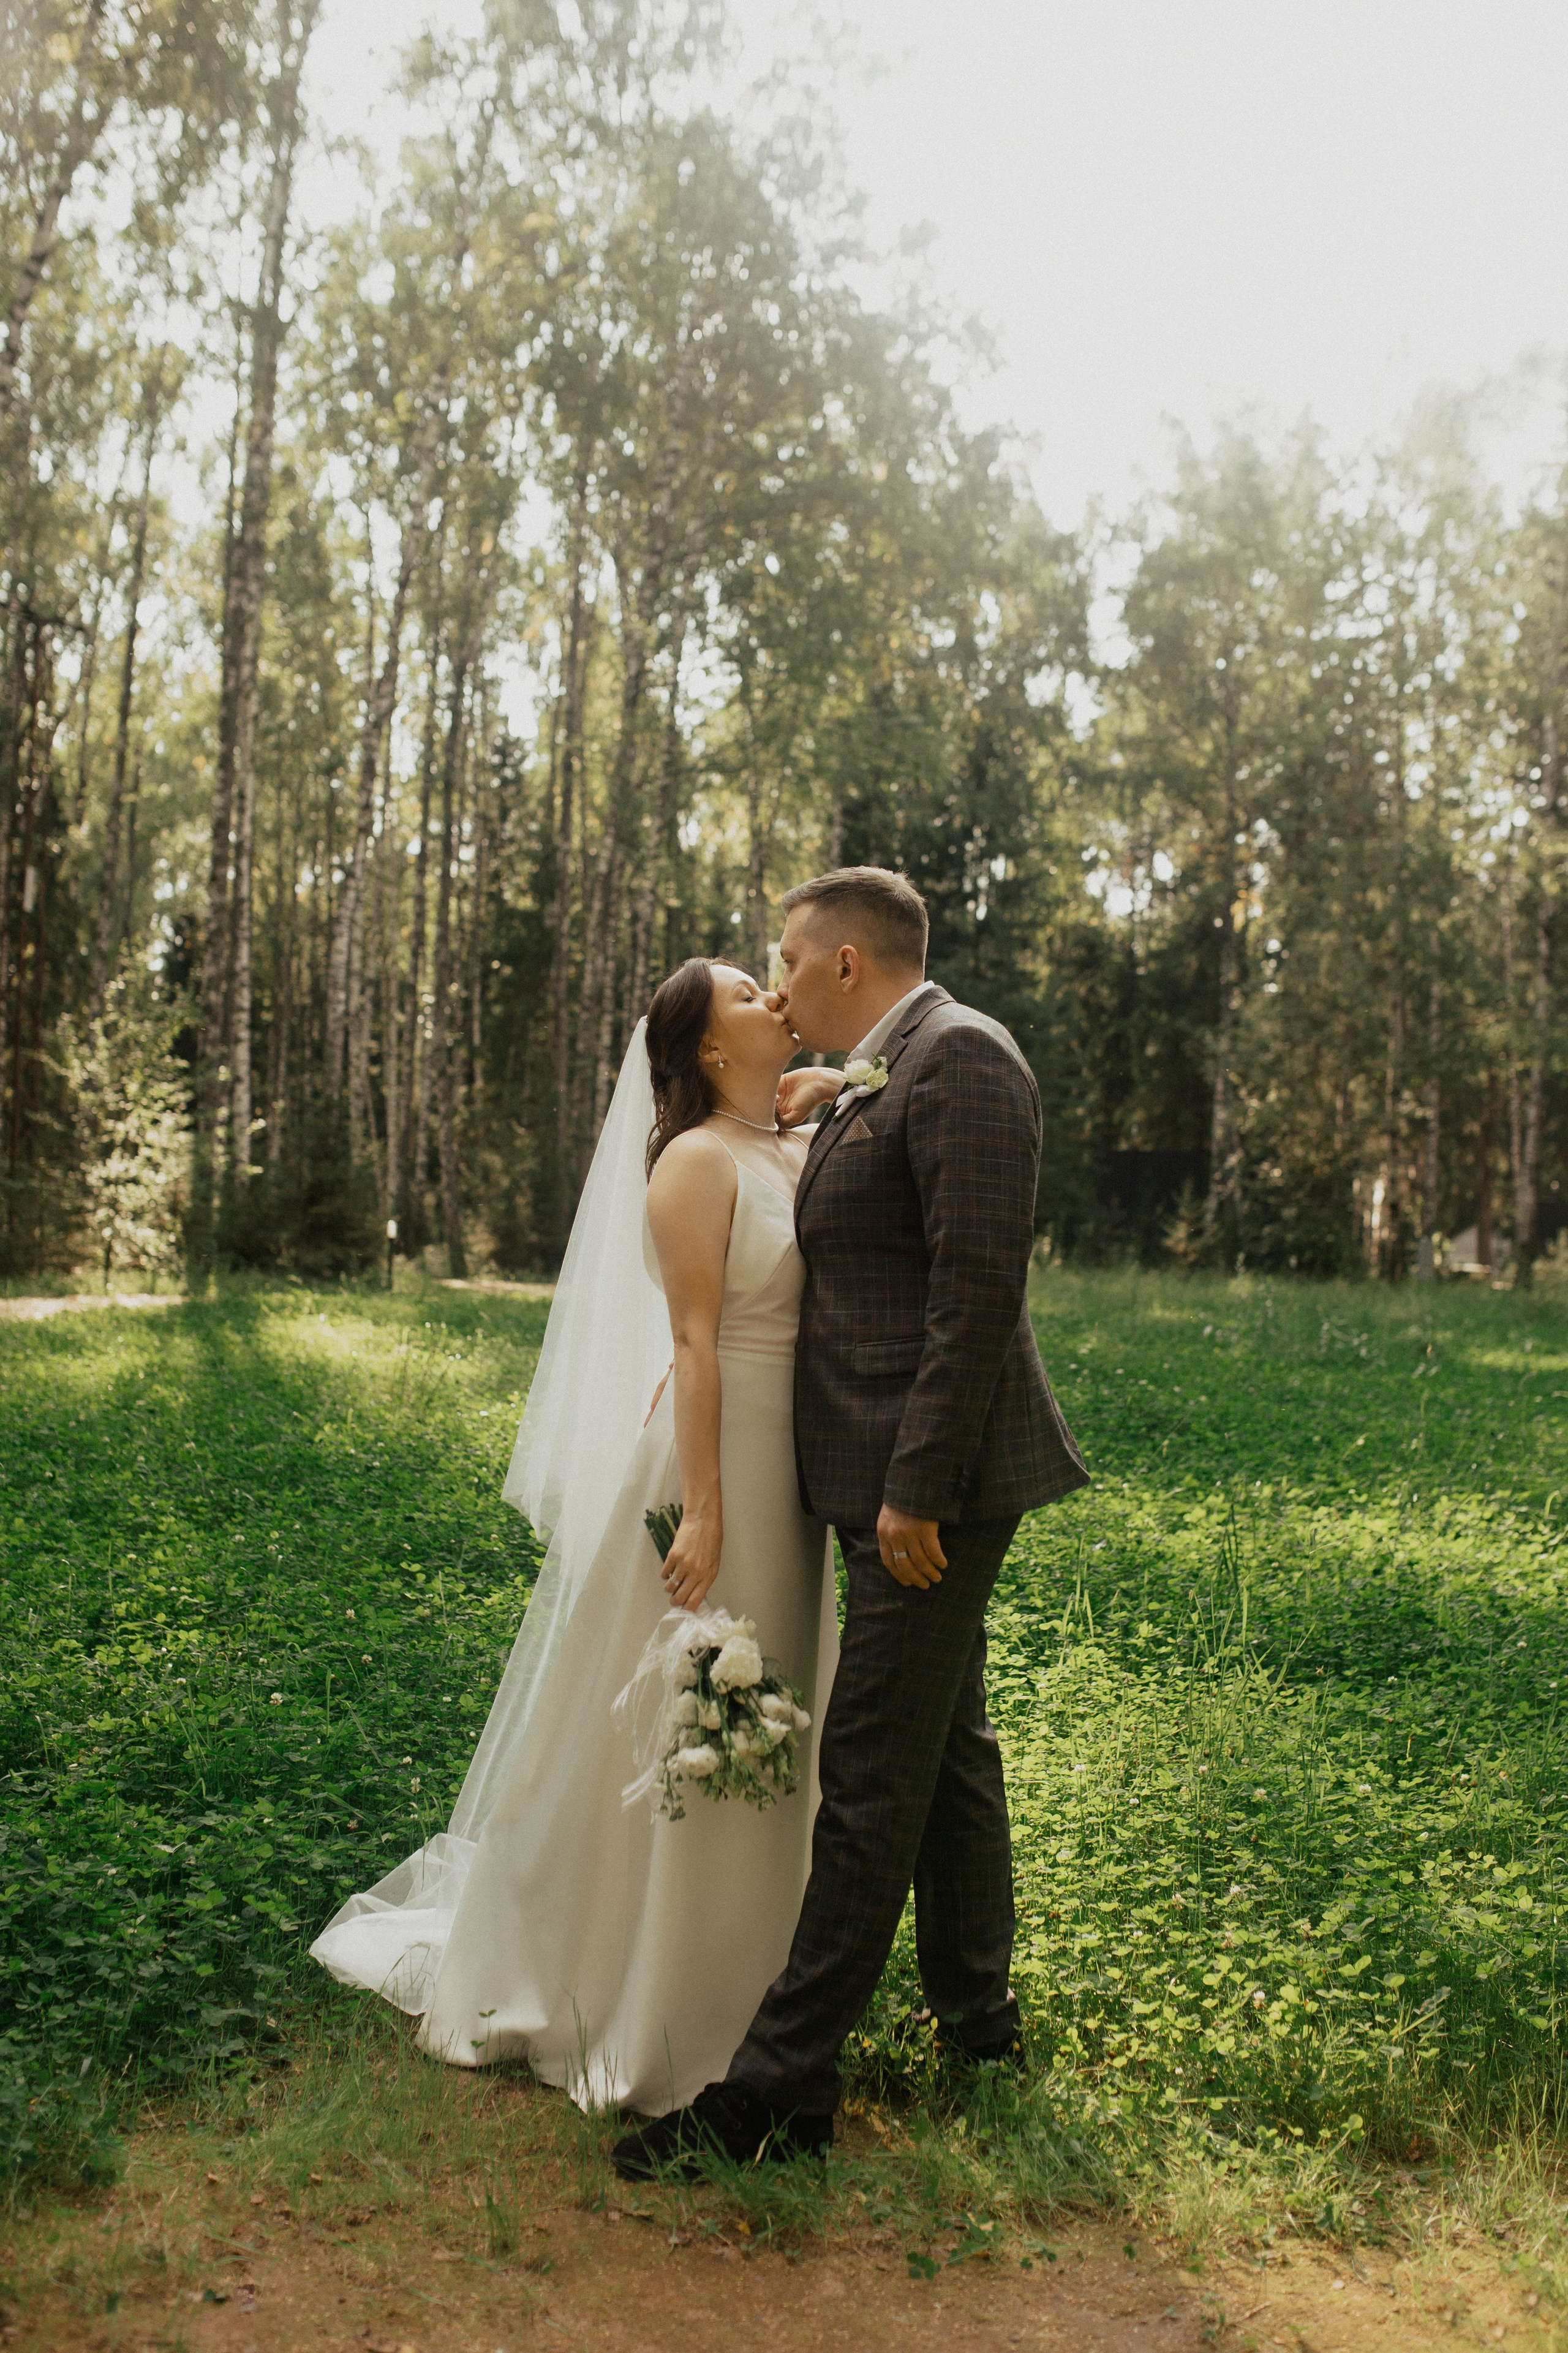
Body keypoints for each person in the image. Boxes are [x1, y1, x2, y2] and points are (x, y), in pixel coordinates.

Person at [611, 864, 1088, 2178]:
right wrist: (834, 1095)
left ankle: (774, 2089)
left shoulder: (964, 1058)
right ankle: (979, 2031)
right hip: (881, 1482)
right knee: (944, 1754)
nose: (773, 977)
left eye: (784, 956)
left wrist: (916, 1487)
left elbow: (975, 1292)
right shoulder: (897, 1067)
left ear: (839, 966)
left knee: (872, 1773)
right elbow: (879, 1186)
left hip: (922, 1494)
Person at [309, 961, 839, 2115]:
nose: (773, 996)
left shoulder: (791, 1136)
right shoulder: (693, 1163)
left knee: (773, 1712)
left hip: (793, 1478)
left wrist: (819, 1089)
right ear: (705, 1045)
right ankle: (642, 1988)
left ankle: (750, 1982)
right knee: (692, 1716)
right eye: (750, 990)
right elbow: (695, 1344)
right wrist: (702, 1507)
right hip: (717, 1460)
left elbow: (828, 1124)